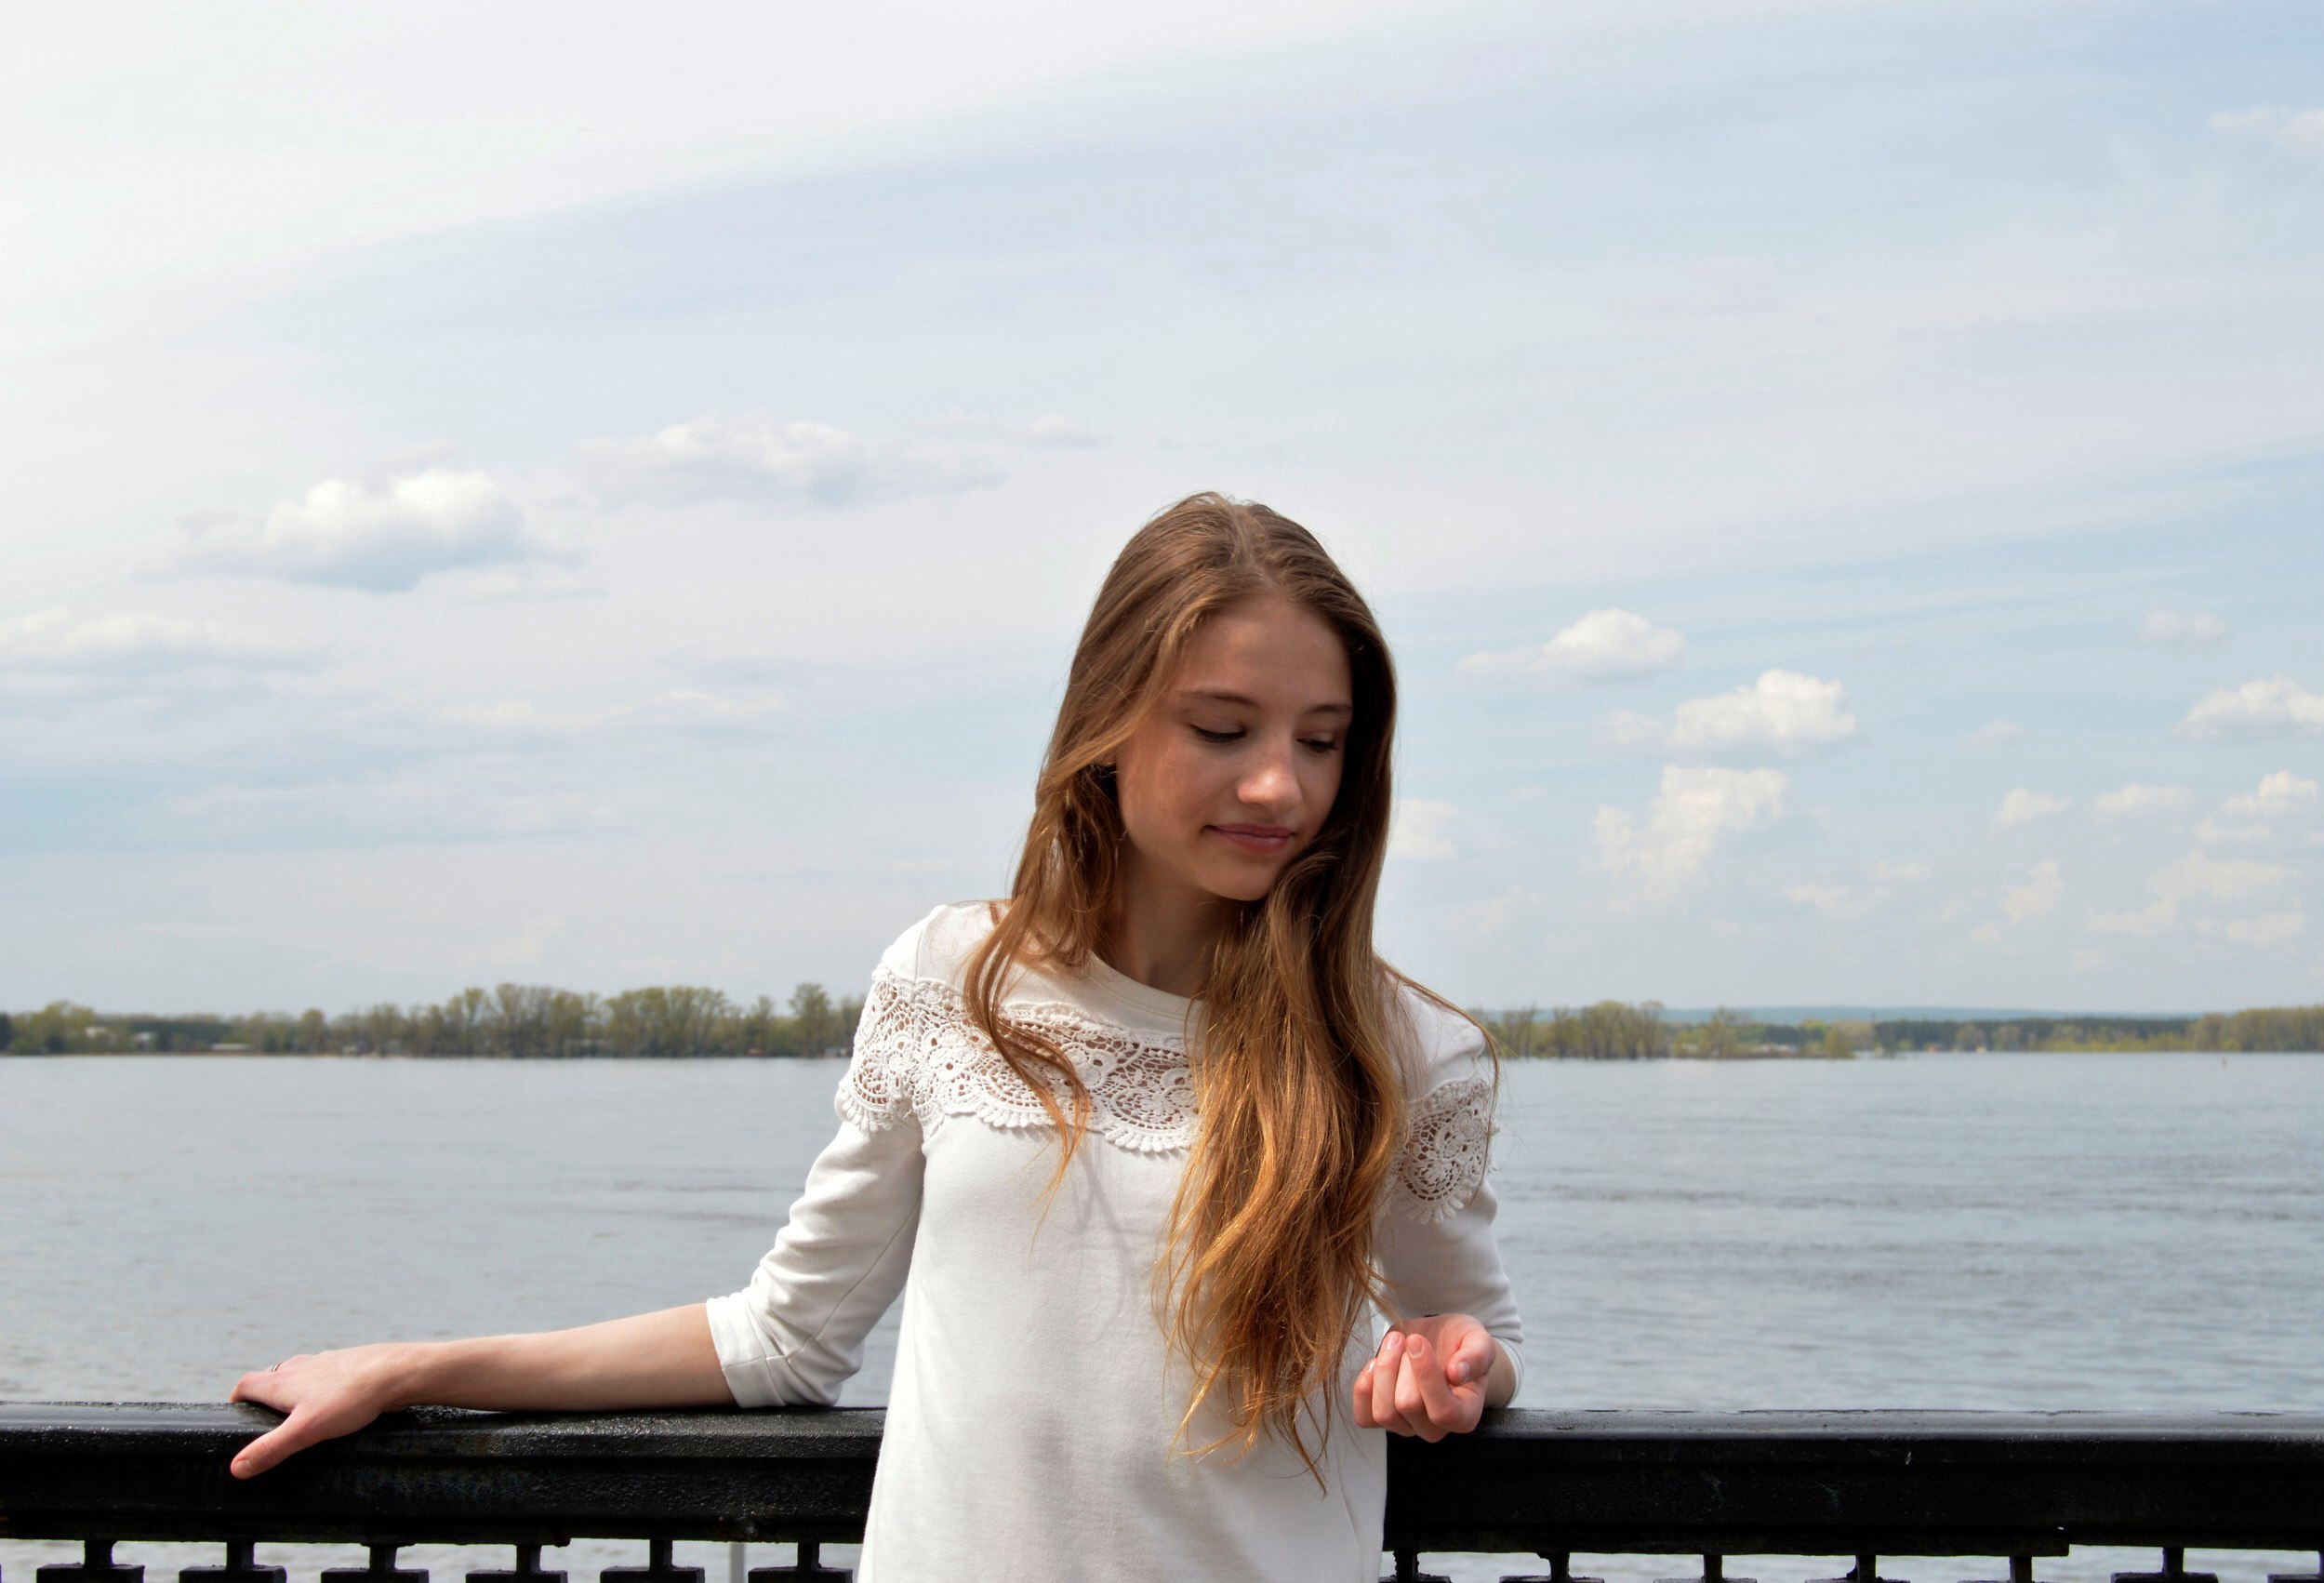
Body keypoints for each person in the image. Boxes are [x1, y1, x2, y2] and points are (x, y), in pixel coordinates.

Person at [227, 491, 1524, 1582]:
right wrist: (414, 1369)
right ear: (1106, 724)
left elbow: (1476, 1338)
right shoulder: (951, 979)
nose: (1281, 784)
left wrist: (1458, 1366)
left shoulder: (1406, 1052)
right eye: (1223, 729)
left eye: (1322, 741)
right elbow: (783, 1339)